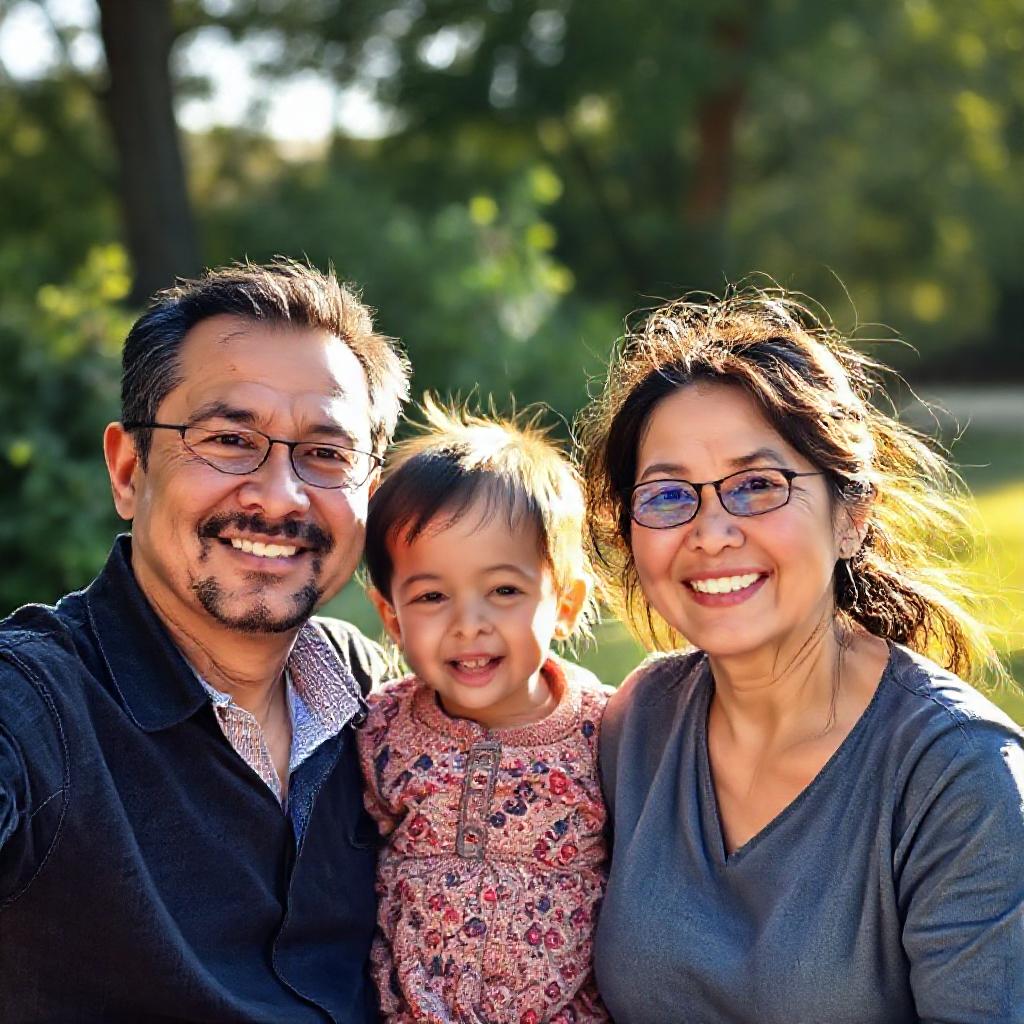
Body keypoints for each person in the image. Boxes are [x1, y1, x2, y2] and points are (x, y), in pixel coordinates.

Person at [579, 287, 1024, 1023]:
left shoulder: (958, 776)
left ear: (852, 516)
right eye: (668, 495)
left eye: (758, 485)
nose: (711, 533)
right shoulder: (638, 724)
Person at [0, 260, 410, 1022]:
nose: (280, 497)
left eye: (326, 454)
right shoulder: (36, 708)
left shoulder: (378, 699)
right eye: (228, 439)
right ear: (129, 470)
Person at [357, 398, 611, 1023]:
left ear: (565, 603)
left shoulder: (607, 731)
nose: (468, 624)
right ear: (392, 617)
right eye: (431, 596)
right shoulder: (380, 730)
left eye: (503, 590)